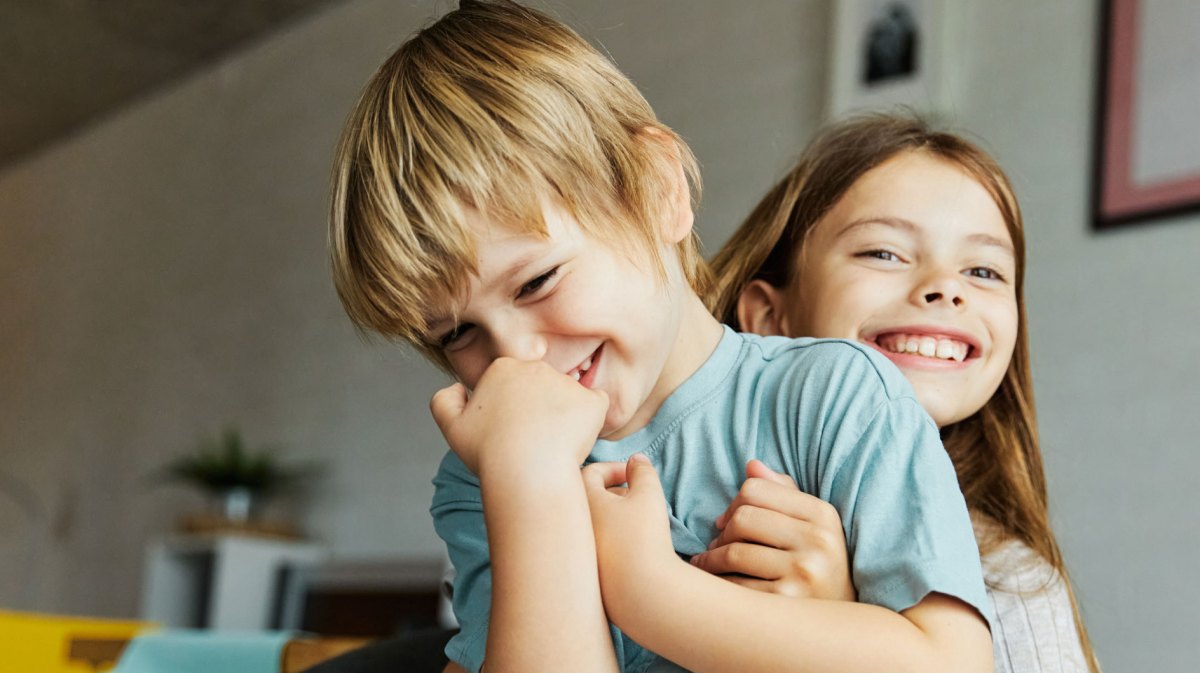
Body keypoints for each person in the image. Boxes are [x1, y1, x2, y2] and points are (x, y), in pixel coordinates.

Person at [328, 3, 992, 672]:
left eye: (535, 282)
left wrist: (649, 591)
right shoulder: (485, 471)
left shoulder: (832, 397)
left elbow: (950, 661)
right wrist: (530, 485)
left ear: (656, 189)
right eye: (459, 332)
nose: (516, 359)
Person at [704, 113, 1101, 673]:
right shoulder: (656, 501)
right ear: (770, 315)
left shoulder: (1013, 585)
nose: (946, 287)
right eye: (883, 253)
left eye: (984, 271)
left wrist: (840, 630)